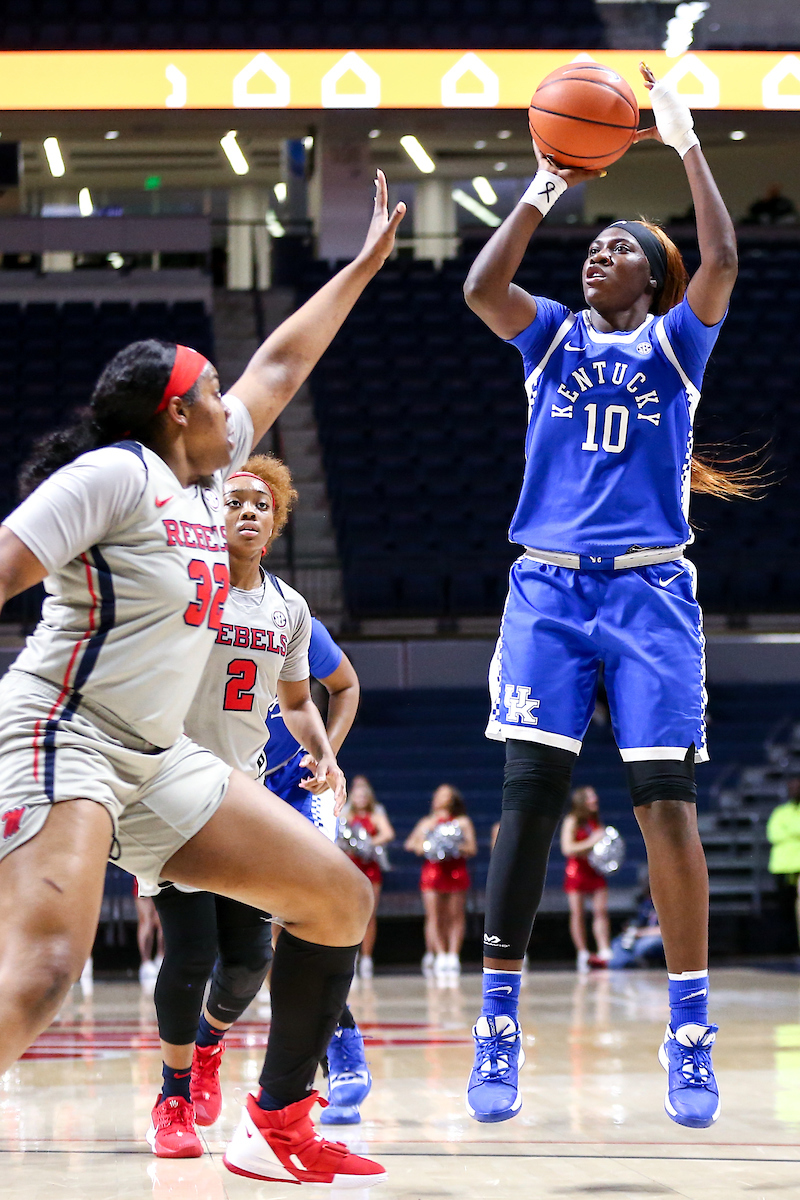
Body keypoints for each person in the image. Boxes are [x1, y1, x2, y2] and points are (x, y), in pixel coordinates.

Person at [0, 172, 404, 1189]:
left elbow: (284, 361)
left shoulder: (208, 480)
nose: (235, 403)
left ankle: (276, 1125)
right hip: (65, 734)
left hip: (159, 758)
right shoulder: (114, 475)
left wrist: (359, 267)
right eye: (216, 393)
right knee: (43, 974)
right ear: (179, 412)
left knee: (337, 898)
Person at [462, 63, 751, 1131]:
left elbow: (722, 257)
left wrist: (684, 139)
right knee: (527, 804)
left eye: (621, 247)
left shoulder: (677, 345)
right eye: (594, 245)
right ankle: (497, 1023)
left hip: (647, 595)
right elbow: (480, 290)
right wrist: (544, 184)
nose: (598, 253)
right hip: (545, 589)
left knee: (664, 806)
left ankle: (688, 1030)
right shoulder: (548, 336)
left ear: (655, 280)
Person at [405, 784, 477, 975]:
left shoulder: (462, 822)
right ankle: (440, 954)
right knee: (434, 915)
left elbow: (471, 848)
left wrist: (454, 847)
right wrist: (426, 845)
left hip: (455, 870)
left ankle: (453, 955)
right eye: (439, 795)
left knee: (455, 914)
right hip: (433, 872)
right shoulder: (427, 822)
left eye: (446, 795)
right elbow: (411, 844)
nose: (441, 798)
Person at [340, 775, 395, 980]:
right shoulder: (346, 814)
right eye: (357, 795)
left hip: (370, 868)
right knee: (350, 913)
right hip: (350, 868)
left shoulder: (375, 815)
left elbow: (388, 833)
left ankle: (367, 958)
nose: (361, 799)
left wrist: (368, 843)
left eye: (364, 796)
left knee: (369, 914)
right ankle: (351, 955)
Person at [560, 786, 611, 973]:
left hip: (595, 869)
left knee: (601, 911)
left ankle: (604, 949)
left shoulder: (595, 820)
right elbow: (567, 848)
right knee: (578, 913)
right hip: (577, 871)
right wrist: (592, 841)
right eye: (590, 797)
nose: (594, 800)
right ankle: (582, 952)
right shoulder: (572, 820)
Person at [766, 776, 800, 952]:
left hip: (797, 867)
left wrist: (789, 831)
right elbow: (774, 834)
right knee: (785, 909)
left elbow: (783, 833)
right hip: (782, 867)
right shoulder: (780, 812)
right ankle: (788, 947)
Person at [609, 876, 664, 969]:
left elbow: (669, 930)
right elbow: (639, 923)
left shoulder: (667, 904)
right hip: (640, 936)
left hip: (657, 938)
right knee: (617, 942)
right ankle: (622, 963)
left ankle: (636, 962)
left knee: (645, 945)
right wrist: (631, 928)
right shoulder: (646, 903)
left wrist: (642, 933)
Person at [135, 885, 164, 992]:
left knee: (162, 919)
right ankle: (146, 962)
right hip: (144, 880)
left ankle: (161, 957)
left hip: (162, 881)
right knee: (146, 921)